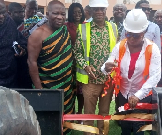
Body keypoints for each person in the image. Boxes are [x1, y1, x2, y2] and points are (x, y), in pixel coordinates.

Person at [101, 9, 161, 135]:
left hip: (143, 95)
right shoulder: (120, 46)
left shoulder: (152, 49)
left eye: (136, 35)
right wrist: (106, 67)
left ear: (144, 33)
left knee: (138, 127)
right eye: (129, 34)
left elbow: (155, 76)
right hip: (123, 94)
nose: (132, 39)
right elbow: (108, 63)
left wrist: (138, 95)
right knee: (125, 125)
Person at [27, 1, 74, 134]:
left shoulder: (64, 29)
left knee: (65, 114)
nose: (60, 17)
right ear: (47, 14)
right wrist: (39, 90)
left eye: (62, 14)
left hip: (66, 84)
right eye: (55, 13)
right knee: (50, 118)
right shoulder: (38, 34)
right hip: (48, 86)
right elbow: (32, 62)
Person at [72, 0, 117, 134]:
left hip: (107, 79)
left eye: (101, 9)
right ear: (90, 11)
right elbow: (77, 51)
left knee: (104, 113)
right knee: (89, 113)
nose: (99, 12)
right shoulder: (83, 28)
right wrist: (86, 66)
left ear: (105, 10)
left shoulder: (113, 27)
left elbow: (117, 51)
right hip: (90, 79)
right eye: (96, 9)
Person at [64, 2, 85, 123]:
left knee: (81, 92)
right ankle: (70, 113)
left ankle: (80, 113)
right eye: (74, 12)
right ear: (70, 14)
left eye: (79, 12)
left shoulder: (86, 26)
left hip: (82, 64)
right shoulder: (66, 26)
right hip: (69, 63)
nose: (77, 14)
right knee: (71, 90)